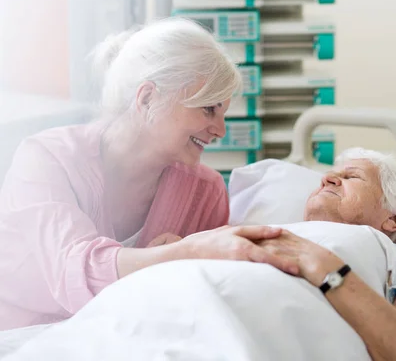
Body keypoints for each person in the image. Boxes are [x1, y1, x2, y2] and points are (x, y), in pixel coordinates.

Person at [0, 17, 297, 330]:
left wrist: (173, 269)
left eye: (223, 113)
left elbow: (202, 302)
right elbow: (73, 271)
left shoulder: (206, 191)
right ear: (147, 98)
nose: (220, 130)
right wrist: (180, 254)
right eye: (208, 109)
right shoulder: (47, 159)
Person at [254, 147, 396, 360]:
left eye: (352, 176)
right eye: (331, 174)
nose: (327, 179)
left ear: (395, 218)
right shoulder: (264, 231)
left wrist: (328, 271)